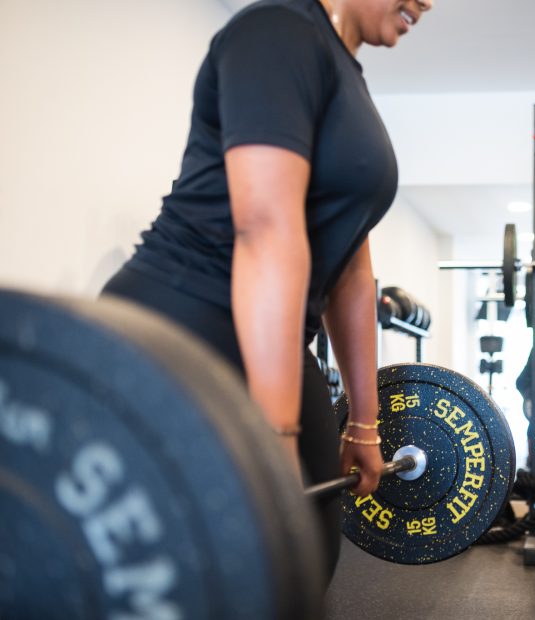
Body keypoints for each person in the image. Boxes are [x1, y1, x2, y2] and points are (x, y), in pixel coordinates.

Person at [100, 0, 434, 578]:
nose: (429, 2)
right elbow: (265, 231)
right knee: (213, 570)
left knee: (306, 557)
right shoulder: (277, 32)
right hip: (182, 323)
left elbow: (351, 267)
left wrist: (364, 420)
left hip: (275, 333)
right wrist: (272, 438)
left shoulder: (345, 74)